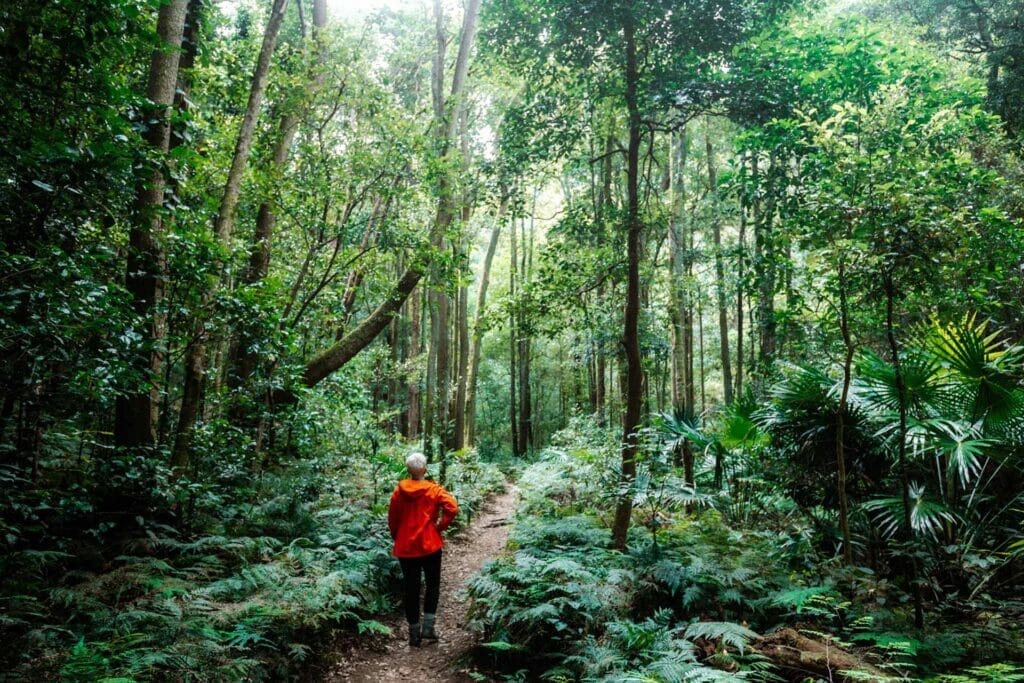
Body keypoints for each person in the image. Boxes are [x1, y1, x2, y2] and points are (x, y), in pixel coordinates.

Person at [387, 451, 459, 647]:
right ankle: (428, 628)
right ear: (425, 470)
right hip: (430, 545)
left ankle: (413, 634)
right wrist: (439, 527)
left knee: (411, 589)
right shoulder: (434, 490)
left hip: (406, 548)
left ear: (408, 470)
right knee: (433, 585)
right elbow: (452, 508)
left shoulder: (398, 492)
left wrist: (398, 537)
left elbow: (392, 520)